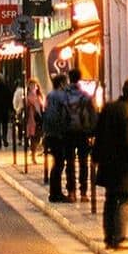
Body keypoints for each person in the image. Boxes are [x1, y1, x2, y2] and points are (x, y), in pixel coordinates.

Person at [93, 75, 128, 250]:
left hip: (108, 163)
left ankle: (109, 236)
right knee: (124, 201)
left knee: (110, 200)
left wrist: (96, 157)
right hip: (124, 167)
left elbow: (98, 133)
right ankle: (119, 237)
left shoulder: (109, 108)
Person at [60, 69, 97, 201]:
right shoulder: (85, 96)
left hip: (68, 133)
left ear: (69, 78)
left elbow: (59, 115)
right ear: (79, 79)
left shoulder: (63, 96)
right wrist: (92, 131)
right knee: (83, 163)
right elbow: (92, 115)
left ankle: (71, 192)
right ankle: (83, 192)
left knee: (69, 163)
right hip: (83, 132)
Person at [43, 73, 70, 201]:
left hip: (50, 133)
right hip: (58, 134)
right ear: (61, 83)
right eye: (66, 82)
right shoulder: (61, 96)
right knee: (59, 164)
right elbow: (63, 115)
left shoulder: (50, 95)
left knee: (56, 163)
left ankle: (54, 192)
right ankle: (56, 193)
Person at [23, 79, 45, 159]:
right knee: (33, 137)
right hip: (32, 119)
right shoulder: (27, 96)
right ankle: (33, 154)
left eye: (34, 85)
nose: (33, 87)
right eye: (31, 85)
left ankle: (34, 152)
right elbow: (26, 106)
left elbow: (43, 106)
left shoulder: (40, 96)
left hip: (40, 118)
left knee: (38, 136)